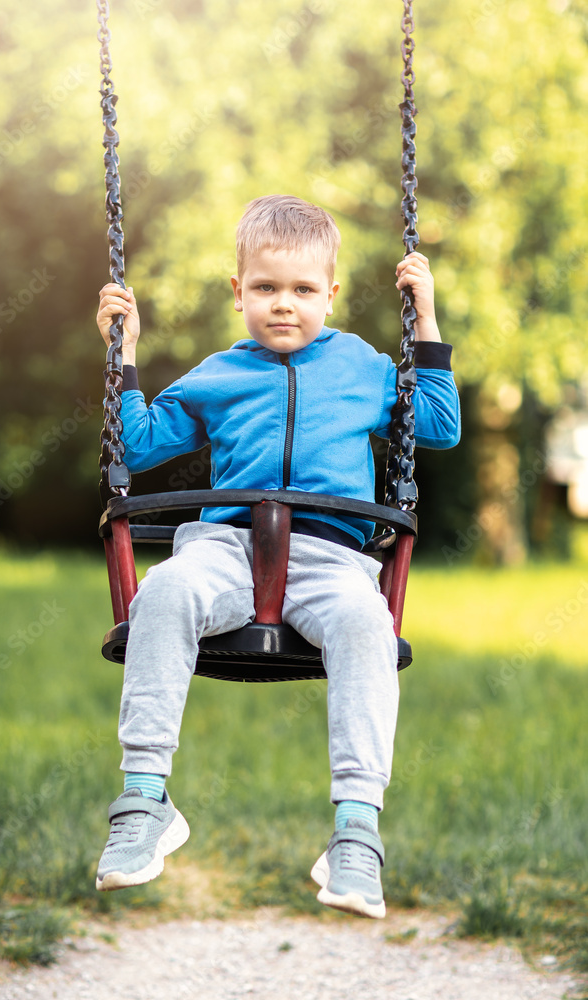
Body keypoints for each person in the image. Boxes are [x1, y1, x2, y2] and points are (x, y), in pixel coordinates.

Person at [94, 195, 460, 918]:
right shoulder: (219, 374)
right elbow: (135, 447)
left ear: (331, 292)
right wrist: (124, 350)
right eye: (264, 288)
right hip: (226, 550)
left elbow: (439, 426)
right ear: (238, 294)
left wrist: (424, 320)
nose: (283, 305)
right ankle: (143, 800)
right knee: (162, 594)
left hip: (331, 559)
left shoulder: (362, 364)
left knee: (367, 628)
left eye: (301, 290)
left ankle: (356, 830)